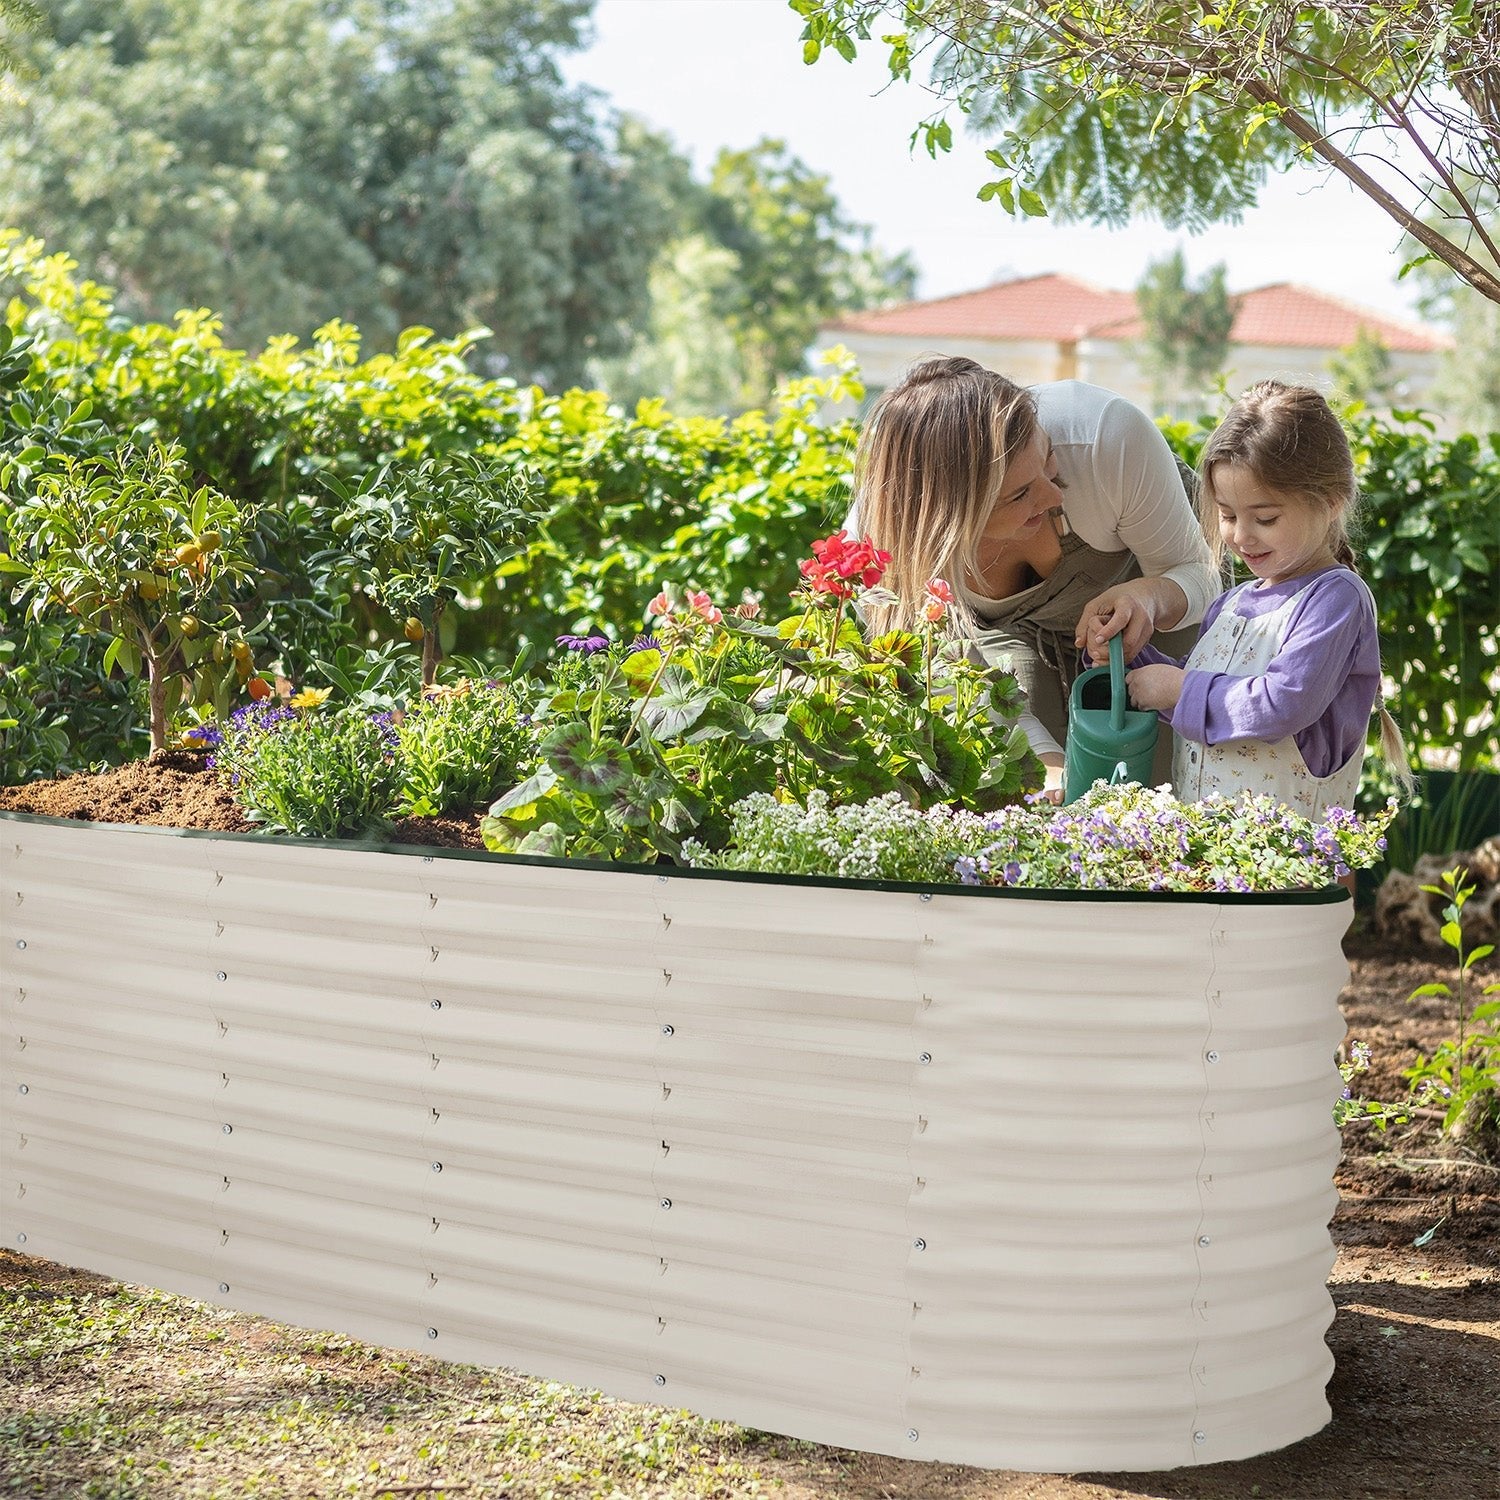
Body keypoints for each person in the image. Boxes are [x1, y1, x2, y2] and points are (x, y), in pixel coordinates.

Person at [848, 356, 1219, 791]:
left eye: (1047, 458)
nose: (1052, 493)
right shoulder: (886, 545)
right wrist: (1050, 768)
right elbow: (973, 684)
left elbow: (1203, 576)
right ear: (953, 519)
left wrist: (1149, 598)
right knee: (1017, 788)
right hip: (1000, 640)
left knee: (1164, 783)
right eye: (1020, 493)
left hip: (1163, 612)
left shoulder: (1105, 437)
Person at [1124, 380, 1411, 817]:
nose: (1241, 535)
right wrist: (1127, 657)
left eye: (1265, 518)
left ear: (1330, 501)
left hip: (1286, 870)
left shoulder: (1335, 599)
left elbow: (1281, 703)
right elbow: (1213, 708)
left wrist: (1178, 688)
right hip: (1210, 861)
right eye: (1227, 515)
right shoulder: (1231, 604)